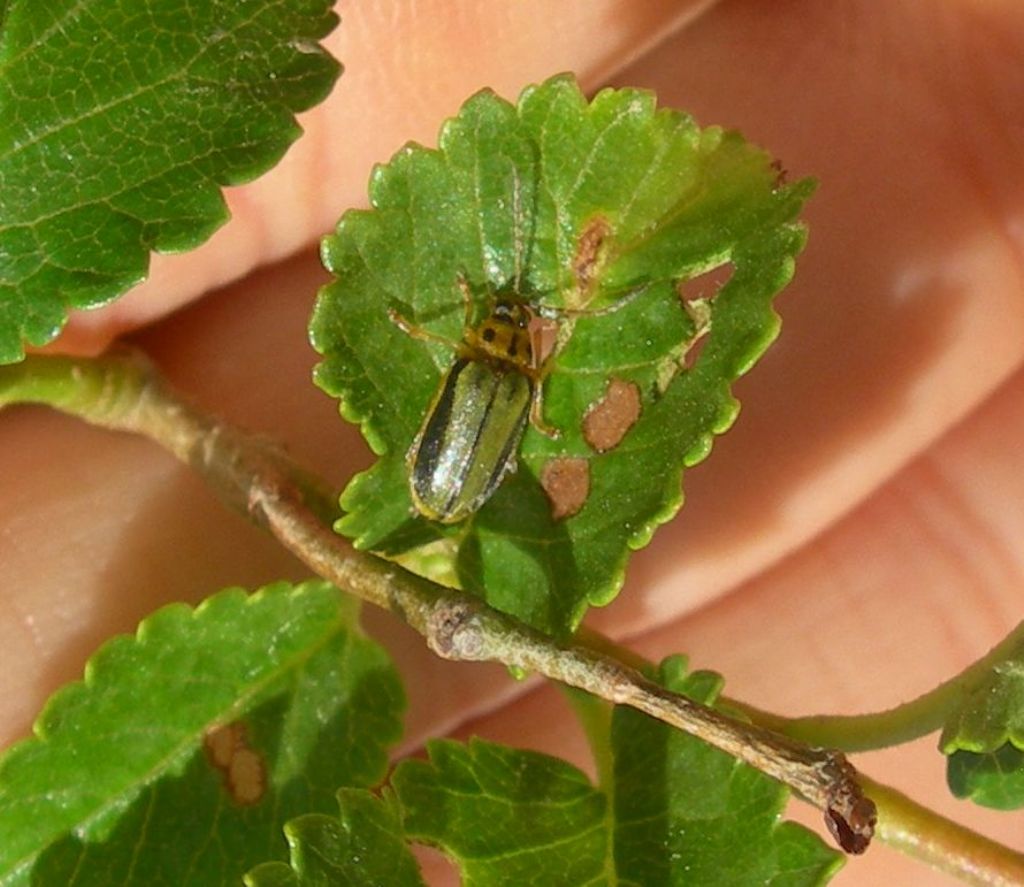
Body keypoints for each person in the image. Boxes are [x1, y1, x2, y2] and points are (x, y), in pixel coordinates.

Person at [2, 3, 1022, 883]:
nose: (497, 323)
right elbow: (490, 399)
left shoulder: (494, 361)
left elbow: (480, 393)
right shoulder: (509, 367)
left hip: (455, 465)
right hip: (459, 466)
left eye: (494, 323)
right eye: (499, 321)